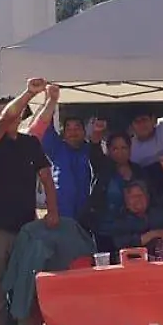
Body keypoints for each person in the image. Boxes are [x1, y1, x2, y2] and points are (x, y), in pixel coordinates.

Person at [0, 80, 60, 325]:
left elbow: (46, 176)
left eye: (8, 111)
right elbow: (8, 117)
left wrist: (53, 211)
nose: (4, 116)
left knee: (25, 284)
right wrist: (30, 93)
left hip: (24, 225)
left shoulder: (30, 142)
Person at [29, 83, 98, 228]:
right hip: (61, 215)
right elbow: (45, 126)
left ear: (84, 132)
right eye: (69, 128)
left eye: (77, 128)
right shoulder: (56, 148)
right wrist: (50, 101)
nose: (73, 132)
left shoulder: (92, 150)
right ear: (63, 133)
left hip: (89, 216)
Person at [85, 132, 146, 254]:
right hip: (105, 232)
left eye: (124, 148)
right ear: (108, 150)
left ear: (130, 149)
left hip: (133, 232)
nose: (120, 152)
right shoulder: (103, 168)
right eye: (115, 148)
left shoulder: (139, 171)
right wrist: (96, 137)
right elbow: (95, 153)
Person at [109, 181, 163, 261]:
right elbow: (122, 244)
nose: (137, 199)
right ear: (126, 202)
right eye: (132, 197)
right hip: (135, 266)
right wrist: (153, 234)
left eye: (140, 195)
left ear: (147, 198)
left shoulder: (159, 214)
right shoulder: (120, 221)